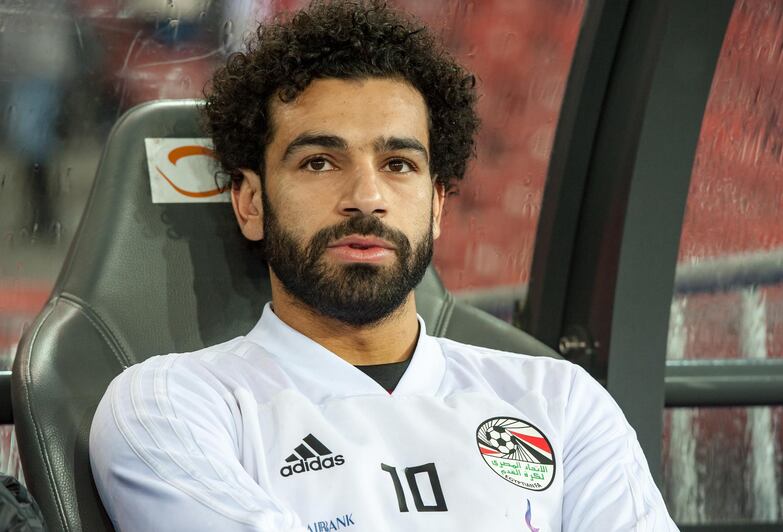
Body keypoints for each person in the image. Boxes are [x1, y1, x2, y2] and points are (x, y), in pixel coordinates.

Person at [89, 1, 679, 530]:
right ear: (250, 202)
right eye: (320, 162)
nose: (366, 196)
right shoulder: (172, 404)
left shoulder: (560, 400)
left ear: (437, 206)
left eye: (398, 164)